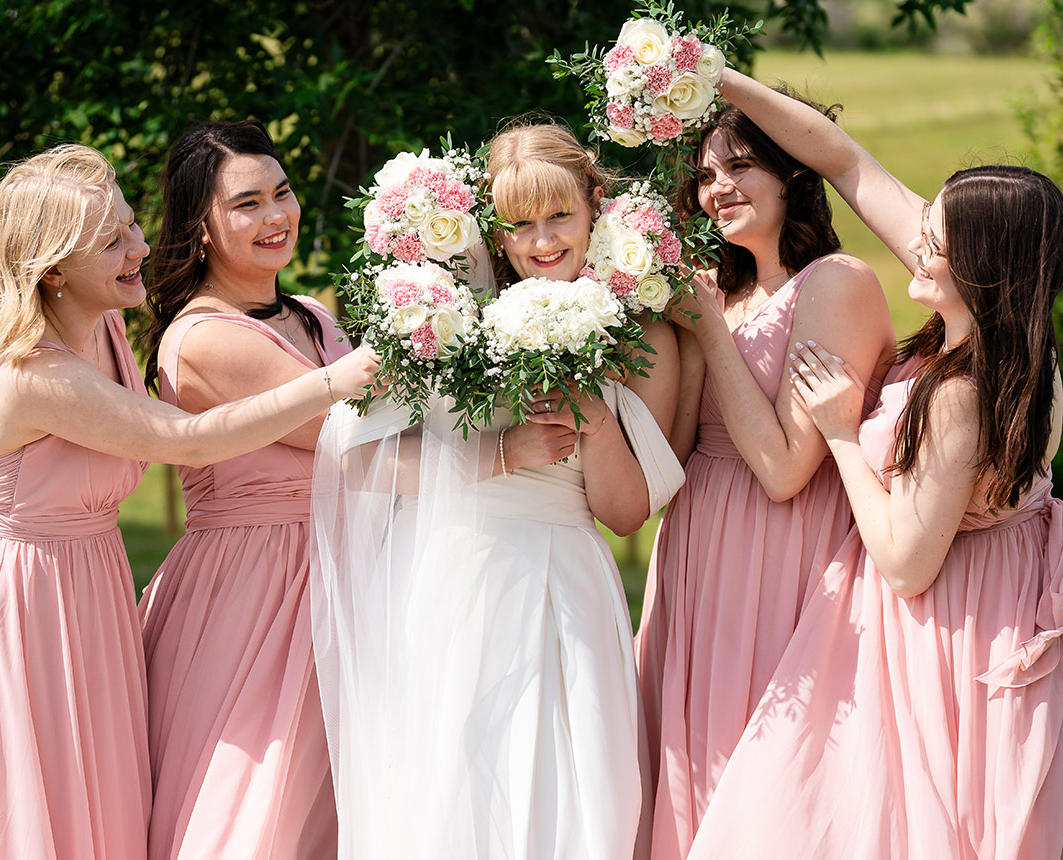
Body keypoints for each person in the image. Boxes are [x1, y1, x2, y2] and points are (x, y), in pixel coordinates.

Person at [0, 143, 378, 860]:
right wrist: (336, 382)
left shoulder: (104, 329)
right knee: (31, 805)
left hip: (90, 584)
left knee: (103, 807)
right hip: (22, 598)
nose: (140, 247)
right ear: (54, 268)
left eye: (131, 225)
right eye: (113, 239)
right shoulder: (33, 370)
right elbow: (190, 440)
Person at [680, 69, 1063, 859]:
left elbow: (906, 562)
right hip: (907, 621)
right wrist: (712, 74)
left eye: (935, 242)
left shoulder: (964, 393)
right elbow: (840, 158)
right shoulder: (985, 341)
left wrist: (841, 434)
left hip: (955, 631)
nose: (916, 243)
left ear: (986, 262)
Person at [310, 122, 685, 860]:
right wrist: (500, 453)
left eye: (559, 218)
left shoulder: (643, 339)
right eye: (518, 224)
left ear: (593, 208)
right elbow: (356, 463)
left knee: (578, 795)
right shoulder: (447, 320)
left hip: (567, 583)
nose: (540, 241)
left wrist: (596, 426)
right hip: (455, 573)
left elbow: (624, 513)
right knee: (454, 789)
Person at [634, 91, 896, 859]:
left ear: (791, 174)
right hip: (695, 549)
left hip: (785, 553)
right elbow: (675, 452)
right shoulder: (717, 292)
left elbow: (784, 467)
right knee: (689, 769)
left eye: (740, 166)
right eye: (705, 175)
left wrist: (704, 326)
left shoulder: (835, 283)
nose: (717, 186)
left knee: (770, 785)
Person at [136, 120, 354, 860]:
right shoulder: (205, 339)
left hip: (335, 571)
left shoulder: (314, 316)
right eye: (247, 203)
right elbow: (353, 442)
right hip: (257, 591)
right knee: (259, 807)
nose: (275, 217)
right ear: (199, 229)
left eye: (282, 193)